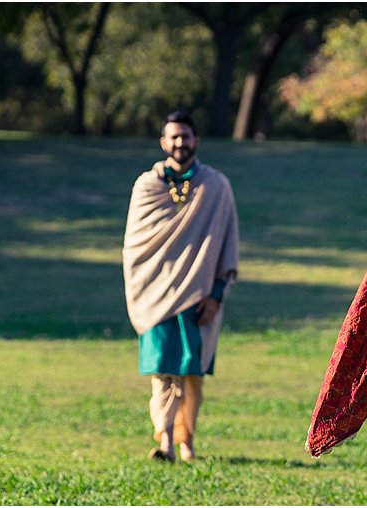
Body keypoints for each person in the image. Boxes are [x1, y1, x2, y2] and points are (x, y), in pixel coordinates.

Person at [123, 111, 239, 463]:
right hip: (155, 297)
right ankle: (165, 442)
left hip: (199, 297)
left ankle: (186, 440)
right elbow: (134, 246)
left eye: (185, 136)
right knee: (162, 371)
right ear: (163, 142)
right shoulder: (147, 186)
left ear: (196, 141)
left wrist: (217, 296)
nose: (179, 143)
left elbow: (228, 243)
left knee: (191, 374)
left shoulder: (215, 186)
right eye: (173, 137)